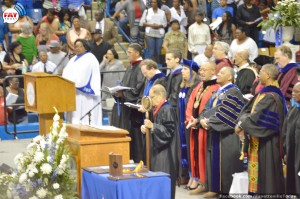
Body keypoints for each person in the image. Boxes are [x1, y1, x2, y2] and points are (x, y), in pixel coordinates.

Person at [235, 64, 286, 195]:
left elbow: (258, 119)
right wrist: (243, 121)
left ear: (268, 75)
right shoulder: (262, 94)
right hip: (256, 140)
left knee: (267, 177)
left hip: (267, 144)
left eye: (261, 72)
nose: (258, 75)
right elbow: (246, 110)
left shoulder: (272, 96)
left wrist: (242, 124)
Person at [197, 67, 244, 197]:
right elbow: (205, 109)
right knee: (214, 160)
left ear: (230, 77)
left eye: (222, 72)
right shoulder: (218, 91)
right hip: (215, 132)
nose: (218, 74)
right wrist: (201, 120)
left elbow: (225, 113)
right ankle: (215, 188)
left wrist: (209, 122)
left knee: (227, 162)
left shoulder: (234, 92)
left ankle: (226, 191)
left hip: (227, 135)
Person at [185, 62, 219, 194]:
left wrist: (199, 121)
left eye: (205, 70)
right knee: (196, 154)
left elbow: (212, 109)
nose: (201, 73)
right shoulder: (198, 86)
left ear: (212, 71)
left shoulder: (216, 88)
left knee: (204, 154)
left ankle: (208, 183)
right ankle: (200, 181)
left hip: (206, 127)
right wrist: (190, 120)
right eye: (200, 70)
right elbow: (190, 105)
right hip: (195, 127)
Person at [141, 84, 180, 199]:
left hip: (165, 155)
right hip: (157, 151)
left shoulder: (167, 109)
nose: (150, 101)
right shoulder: (157, 109)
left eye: (152, 97)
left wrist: (152, 126)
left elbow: (168, 131)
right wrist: (145, 129)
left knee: (163, 185)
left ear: (160, 96)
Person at [110, 43, 146, 163]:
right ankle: (130, 159)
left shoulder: (141, 67)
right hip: (127, 108)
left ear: (137, 53)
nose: (127, 54)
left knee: (136, 137)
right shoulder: (131, 66)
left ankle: (139, 162)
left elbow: (137, 89)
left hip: (135, 110)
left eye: (130, 52)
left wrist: (123, 94)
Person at [62, 39, 102, 126]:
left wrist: (70, 80)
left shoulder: (90, 58)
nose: (77, 48)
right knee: (74, 117)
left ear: (86, 47)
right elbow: (66, 72)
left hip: (86, 94)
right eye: (76, 46)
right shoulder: (73, 59)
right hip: (74, 92)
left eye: (80, 46)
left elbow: (82, 76)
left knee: (85, 118)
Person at [177, 59, 200, 187]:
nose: (182, 71)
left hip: (190, 123)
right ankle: (188, 175)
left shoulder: (195, 86)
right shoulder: (183, 86)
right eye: (182, 69)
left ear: (193, 72)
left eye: (185, 69)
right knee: (184, 150)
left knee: (192, 150)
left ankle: (194, 177)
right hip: (181, 124)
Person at [282, 82, 300, 198]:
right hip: (292, 151)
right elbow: (285, 129)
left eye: (296, 92)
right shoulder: (294, 108)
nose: (292, 94)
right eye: (292, 91)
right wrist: (285, 150)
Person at [140, 0, 167, 64]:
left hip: (159, 34)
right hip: (150, 33)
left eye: (154, 2)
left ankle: (158, 66)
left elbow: (165, 24)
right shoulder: (147, 11)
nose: (153, 3)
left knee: (158, 52)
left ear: (157, 3)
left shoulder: (162, 12)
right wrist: (151, 25)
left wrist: (158, 26)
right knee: (151, 52)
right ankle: (149, 66)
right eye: (152, 2)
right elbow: (141, 23)